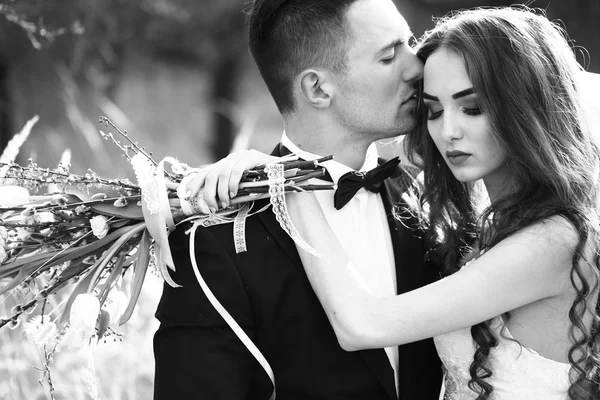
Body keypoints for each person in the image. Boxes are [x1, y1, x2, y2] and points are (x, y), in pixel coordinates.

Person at [199, 6, 600, 400]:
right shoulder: (467, 217)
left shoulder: (554, 242)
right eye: (434, 110)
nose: (448, 132)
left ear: (525, 107)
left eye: (472, 107)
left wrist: (287, 177)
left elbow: (361, 325)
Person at [153, 0, 442, 399]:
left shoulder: (429, 199)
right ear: (318, 88)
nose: (417, 67)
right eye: (390, 55)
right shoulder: (213, 241)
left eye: (410, 42)